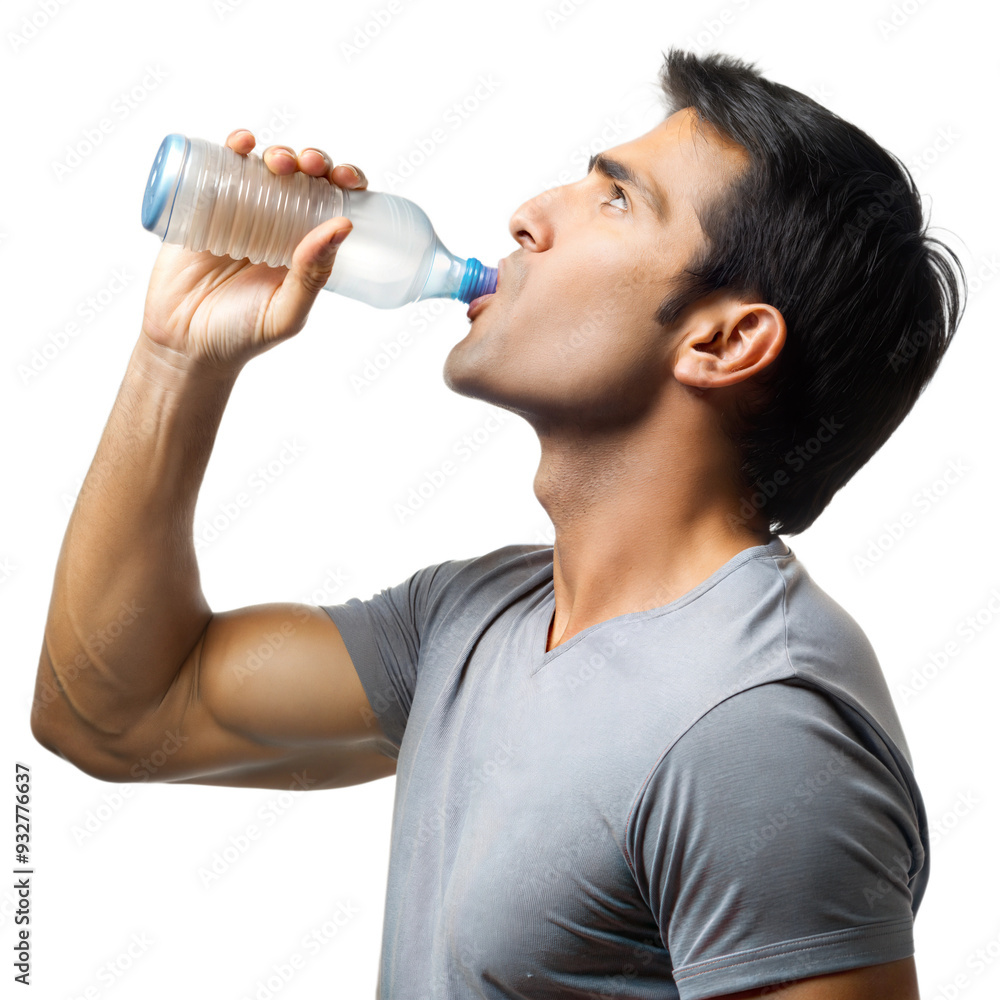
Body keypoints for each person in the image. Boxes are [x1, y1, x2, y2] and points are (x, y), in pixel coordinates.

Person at [31, 48, 964, 999]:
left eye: (616, 199)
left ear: (723, 341)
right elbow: (113, 715)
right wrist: (177, 359)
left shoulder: (758, 726)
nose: (527, 215)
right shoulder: (474, 621)